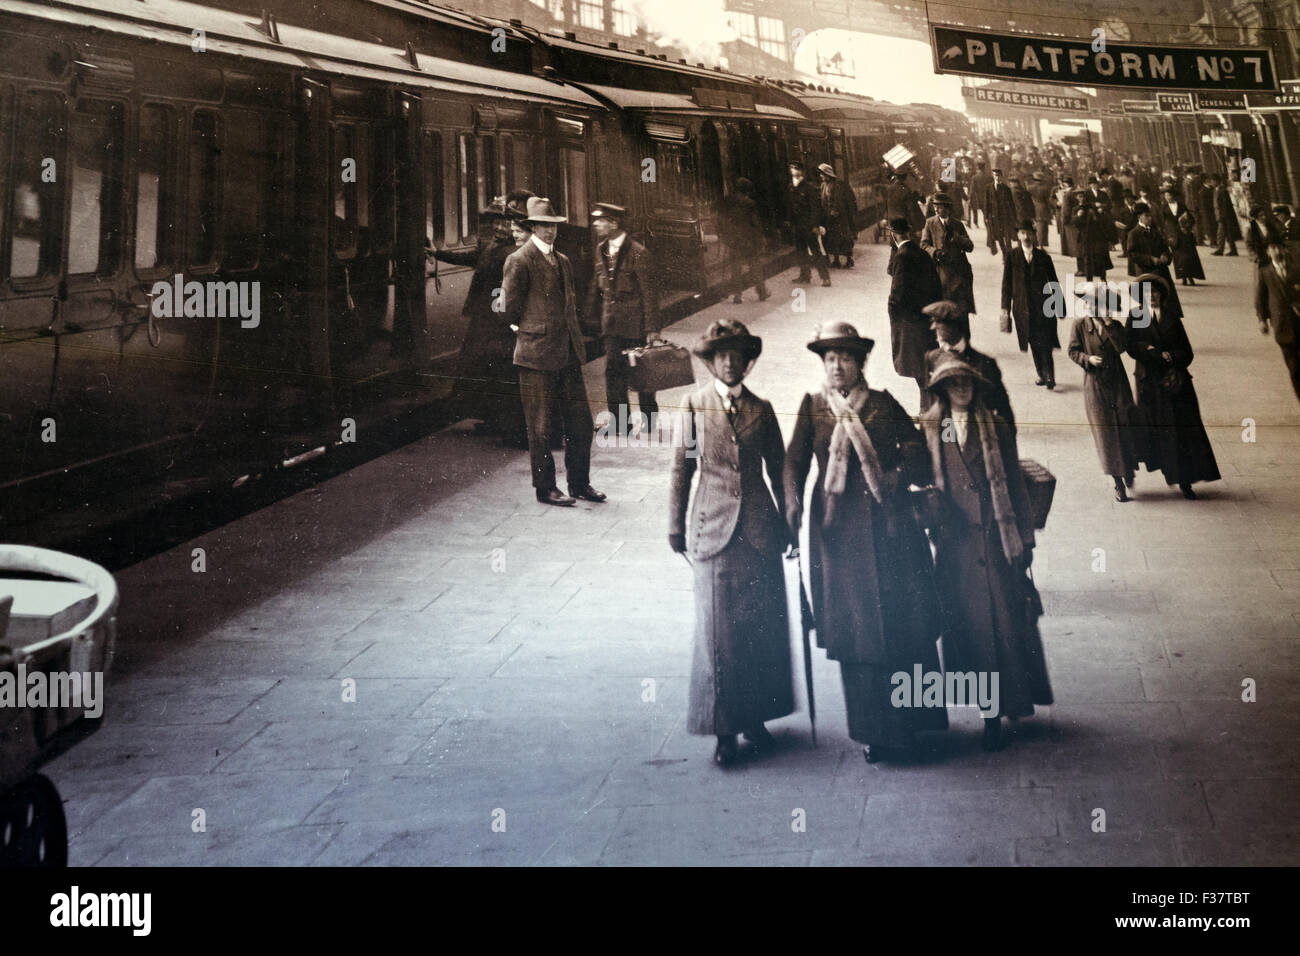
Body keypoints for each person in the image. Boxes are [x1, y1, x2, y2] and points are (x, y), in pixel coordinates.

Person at [784, 321, 945, 763]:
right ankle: (876, 733)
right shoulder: (814, 406)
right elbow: (794, 461)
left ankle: (915, 723)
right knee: (858, 634)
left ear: (860, 364)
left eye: (846, 358)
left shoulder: (882, 403)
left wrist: (895, 475)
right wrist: (791, 507)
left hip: (891, 528)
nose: (837, 366)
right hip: (838, 535)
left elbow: (917, 450)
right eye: (830, 358)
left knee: (903, 626)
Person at [668, 319, 794, 766]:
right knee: (718, 635)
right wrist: (675, 526)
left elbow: (781, 470)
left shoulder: (763, 408)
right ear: (710, 361)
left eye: (737, 355)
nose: (729, 363)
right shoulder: (694, 405)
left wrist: (790, 523)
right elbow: (682, 470)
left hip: (759, 532)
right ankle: (724, 731)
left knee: (759, 628)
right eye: (721, 355)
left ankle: (756, 718)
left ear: (747, 362)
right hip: (711, 530)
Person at [920, 352, 1052, 752]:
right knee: (969, 631)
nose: (961, 388)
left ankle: (1004, 708)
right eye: (953, 383)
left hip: (995, 541)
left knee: (1004, 628)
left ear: (977, 386)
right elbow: (930, 474)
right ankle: (986, 707)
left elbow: (1011, 479)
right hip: (956, 546)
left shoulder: (993, 426)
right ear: (941, 388)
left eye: (967, 382)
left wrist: (1023, 538)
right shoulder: (936, 428)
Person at [503, 196, 606, 507]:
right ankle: (545, 488)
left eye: (554, 226)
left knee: (581, 424)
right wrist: (526, 329)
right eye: (544, 226)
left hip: (567, 355)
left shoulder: (563, 260)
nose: (550, 232)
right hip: (536, 356)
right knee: (540, 427)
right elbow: (507, 308)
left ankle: (579, 483)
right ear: (532, 227)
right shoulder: (519, 260)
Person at [431, 197, 529, 445]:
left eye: (504, 224)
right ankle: (490, 417)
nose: (498, 228)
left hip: (496, 320)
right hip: (483, 317)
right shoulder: (493, 245)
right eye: (496, 223)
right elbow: (470, 257)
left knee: (495, 368)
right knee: (481, 367)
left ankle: (500, 421)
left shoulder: (512, 252)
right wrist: (438, 253)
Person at [1125, 273, 1220, 499]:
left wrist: (1171, 357)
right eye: (1147, 293)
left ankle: (1184, 480)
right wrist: (1145, 348)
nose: (1152, 297)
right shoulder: (1136, 315)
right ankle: (1129, 472)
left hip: (1174, 382)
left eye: (1155, 293)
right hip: (1149, 383)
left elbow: (1187, 353)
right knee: (1151, 430)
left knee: (1182, 432)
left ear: (1162, 295)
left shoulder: (1171, 318)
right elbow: (1129, 346)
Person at [585, 202, 660, 435]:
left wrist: (652, 328)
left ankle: (649, 420)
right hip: (612, 324)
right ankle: (620, 424)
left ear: (614, 223)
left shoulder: (638, 252)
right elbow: (598, 287)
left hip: (635, 324)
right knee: (613, 372)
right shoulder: (600, 249)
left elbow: (650, 292)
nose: (596, 224)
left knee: (642, 372)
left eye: (601, 220)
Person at [1068, 283, 1141, 501]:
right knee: (1106, 435)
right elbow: (1072, 350)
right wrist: (1087, 359)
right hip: (1095, 386)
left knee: (1125, 427)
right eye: (1089, 303)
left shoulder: (1115, 326)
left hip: (1117, 383)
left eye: (1097, 304)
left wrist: (1110, 326)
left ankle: (1127, 470)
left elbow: (1122, 348)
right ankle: (1118, 482)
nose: (1092, 307)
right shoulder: (1079, 325)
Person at [924, 300, 1015, 424]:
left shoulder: (985, 363)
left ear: (954, 326)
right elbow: (928, 400)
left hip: (977, 434)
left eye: (939, 324)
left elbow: (1003, 408)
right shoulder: (932, 358)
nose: (934, 329)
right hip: (946, 434)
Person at [887, 216, 941, 410]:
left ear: (893, 234)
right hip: (926, 319)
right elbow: (936, 286)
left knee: (920, 370)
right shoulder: (922, 254)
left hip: (910, 322)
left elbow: (897, 293)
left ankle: (930, 410)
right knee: (924, 368)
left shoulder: (901, 256)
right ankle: (925, 408)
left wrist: (894, 316)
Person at [1001, 220, 1062, 389]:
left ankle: (1050, 375)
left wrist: (1060, 306)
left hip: (1043, 306)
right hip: (1022, 308)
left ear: (1034, 235)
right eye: (1022, 233)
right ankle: (1041, 374)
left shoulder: (1044, 257)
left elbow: (1054, 282)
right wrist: (1004, 307)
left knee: (1045, 340)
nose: (1026, 237)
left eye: (1029, 233)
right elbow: (1006, 284)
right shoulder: (1012, 256)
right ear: (1018, 235)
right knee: (1033, 342)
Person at [1255, 238, 1300, 403]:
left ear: (1284, 250)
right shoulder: (1264, 273)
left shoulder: (1296, 270)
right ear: (1268, 252)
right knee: (1293, 366)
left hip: (1299, 321)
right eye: (1272, 248)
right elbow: (1260, 299)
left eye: (1278, 247)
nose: (1276, 251)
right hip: (1282, 326)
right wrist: (1262, 320)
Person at [920, 193, 975, 321]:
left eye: (939, 207)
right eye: (935, 206)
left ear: (947, 208)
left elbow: (970, 246)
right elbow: (923, 245)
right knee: (943, 310)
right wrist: (934, 252)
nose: (936, 209)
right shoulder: (930, 223)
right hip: (939, 271)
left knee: (960, 312)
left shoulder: (958, 224)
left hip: (958, 272)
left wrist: (958, 238)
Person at [718, 178, 770, 304]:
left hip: (733, 239)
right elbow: (755, 223)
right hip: (748, 239)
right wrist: (761, 238)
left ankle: (737, 295)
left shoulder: (727, 200)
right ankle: (762, 293)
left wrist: (724, 236)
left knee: (735, 267)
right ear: (747, 190)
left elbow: (722, 219)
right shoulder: (750, 203)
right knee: (754, 265)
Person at [1125, 203, 1180, 316]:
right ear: (1139, 217)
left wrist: (1166, 256)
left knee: (1167, 302)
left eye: (1150, 216)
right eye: (1146, 216)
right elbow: (1132, 254)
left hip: (1161, 272)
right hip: (1145, 272)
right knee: (1148, 303)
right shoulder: (1133, 234)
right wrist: (1150, 259)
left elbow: (1165, 248)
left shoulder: (1156, 232)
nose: (1150, 218)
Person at [787, 160, 830, 286]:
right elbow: (790, 206)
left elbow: (815, 209)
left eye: (796, 168)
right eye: (792, 168)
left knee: (815, 251)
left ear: (801, 171)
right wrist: (790, 221)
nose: (793, 170)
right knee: (800, 251)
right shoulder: (790, 186)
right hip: (797, 225)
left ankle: (825, 277)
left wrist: (814, 225)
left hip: (808, 225)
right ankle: (805, 275)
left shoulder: (809, 188)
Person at [818, 163, 858, 269]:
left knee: (844, 237)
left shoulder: (837, 185)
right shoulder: (823, 185)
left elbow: (838, 201)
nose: (820, 176)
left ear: (827, 174)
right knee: (832, 238)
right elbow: (822, 201)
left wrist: (833, 212)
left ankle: (849, 260)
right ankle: (836, 260)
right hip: (829, 216)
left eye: (822, 174)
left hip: (839, 217)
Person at [984, 167, 1017, 256]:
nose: (997, 178)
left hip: (1005, 217)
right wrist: (986, 217)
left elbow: (1011, 204)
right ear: (993, 177)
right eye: (995, 176)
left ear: (1001, 177)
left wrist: (1014, 218)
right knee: (999, 237)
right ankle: (1004, 254)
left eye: (999, 176)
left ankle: (1008, 256)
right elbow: (986, 203)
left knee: (1008, 237)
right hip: (994, 217)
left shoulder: (1006, 189)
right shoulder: (989, 188)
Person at [1171, 211, 1205, 287]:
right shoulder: (1190, 233)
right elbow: (1194, 242)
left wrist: (1172, 246)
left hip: (1181, 253)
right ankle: (1190, 278)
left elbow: (1175, 244)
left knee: (1183, 264)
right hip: (1190, 252)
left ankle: (1184, 279)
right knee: (1190, 264)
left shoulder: (1178, 232)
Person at [1211, 175, 1240, 256]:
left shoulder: (1222, 190)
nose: (1212, 183)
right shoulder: (1216, 190)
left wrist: (1222, 216)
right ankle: (1233, 250)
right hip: (1220, 215)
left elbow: (1225, 205)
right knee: (1228, 234)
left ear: (1217, 181)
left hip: (1224, 216)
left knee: (1221, 234)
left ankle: (1220, 250)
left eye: (1213, 181)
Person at [1029, 170, 1056, 249]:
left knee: (1034, 227)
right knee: (1042, 228)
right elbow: (1048, 200)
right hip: (1043, 208)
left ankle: (1034, 244)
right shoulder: (1046, 188)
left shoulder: (1030, 187)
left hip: (1033, 207)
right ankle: (1041, 245)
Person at [968, 160, 991, 229]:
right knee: (986, 211)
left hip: (978, 197)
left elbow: (972, 189)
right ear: (984, 167)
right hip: (987, 196)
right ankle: (987, 224)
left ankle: (975, 223)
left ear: (978, 168)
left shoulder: (974, 177)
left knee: (975, 210)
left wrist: (970, 197)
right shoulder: (989, 177)